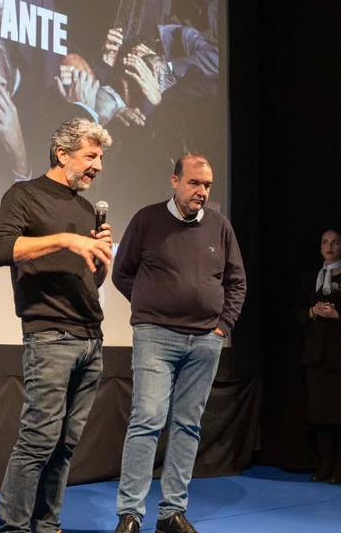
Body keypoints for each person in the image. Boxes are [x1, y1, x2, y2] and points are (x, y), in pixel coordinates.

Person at [0, 117, 114, 533]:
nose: (99, 166)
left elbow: (88, 279)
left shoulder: (85, 208)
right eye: (91, 156)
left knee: (66, 444)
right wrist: (67, 240)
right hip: (50, 336)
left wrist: (99, 258)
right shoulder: (25, 195)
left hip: (90, 337)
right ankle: (15, 527)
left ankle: (48, 524)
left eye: (101, 157)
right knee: (39, 439)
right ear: (63, 154)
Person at [111, 154, 247, 533]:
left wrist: (222, 327)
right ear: (174, 181)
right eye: (194, 183)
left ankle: (172, 511)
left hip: (205, 341)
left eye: (207, 185)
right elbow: (123, 273)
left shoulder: (220, 226)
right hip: (156, 336)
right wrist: (149, 306)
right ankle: (130, 514)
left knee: (188, 426)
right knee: (147, 419)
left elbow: (237, 282)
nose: (202, 192)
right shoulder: (147, 220)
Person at [295, 228, 341, 484]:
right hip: (316, 356)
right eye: (325, 242)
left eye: (335, 243)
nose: (329, 247)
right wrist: (313, 312)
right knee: (319, 414)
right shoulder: (310, 277)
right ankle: (324, 464)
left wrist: (339, 315)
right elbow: (297, 312)